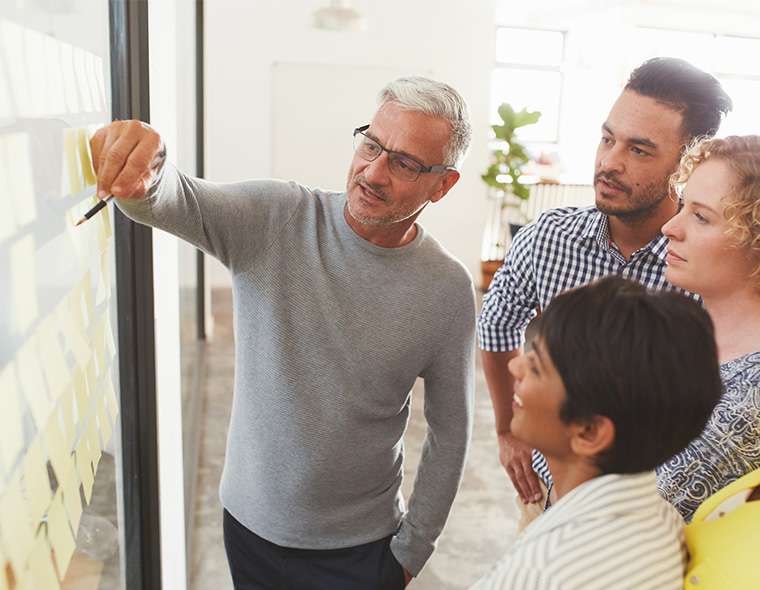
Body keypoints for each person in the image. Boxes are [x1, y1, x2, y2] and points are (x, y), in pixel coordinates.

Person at [91, 77, 476, 588]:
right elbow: (172, 198)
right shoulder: (276, 217)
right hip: (249, 529)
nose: (373, 172)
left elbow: (452, 433)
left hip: (363, 551)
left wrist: (411, 552)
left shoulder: (446, 289)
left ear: (443, 184)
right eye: (371, 145)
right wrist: (147, 163)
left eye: (404, 163)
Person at [477, 57, 732, 506]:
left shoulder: (706, 269)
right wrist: (505, 430)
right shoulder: (548, 239)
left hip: (657, 510)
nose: (609, 162)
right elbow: (495, 327)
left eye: (638, 150)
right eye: (607, 139)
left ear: (686, 165)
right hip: (551, 492)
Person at [471, 276, 724, 590]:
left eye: (536, 368)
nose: (514, 368)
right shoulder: (661, 520)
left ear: (589, 432)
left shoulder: (541, 572)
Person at [657, 135, 760, 522]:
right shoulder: (690, 331)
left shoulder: (751, 395)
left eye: (701, 217)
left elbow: (633, 513)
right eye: (683, 207)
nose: (670, 227)